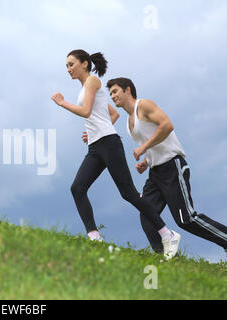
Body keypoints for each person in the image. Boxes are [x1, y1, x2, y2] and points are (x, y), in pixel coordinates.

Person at [51, 50, 181, 260]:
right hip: (96, 145)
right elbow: (114, 114)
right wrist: (95, 130)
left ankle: (168, 234)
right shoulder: (85, 88)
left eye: (71, 64)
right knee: (77, 188)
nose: (68, 69)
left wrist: (61, 102)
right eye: (66, 65)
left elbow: (85, 111)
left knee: (128, 193)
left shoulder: (92, 81)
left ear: (85, 64)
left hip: (109, 144)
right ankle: (94, 237)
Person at [106, 77, 227, 256]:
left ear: (128, 90)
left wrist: (144, 147)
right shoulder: (129, 121)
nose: (112, 96)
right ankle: (165, 257)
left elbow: (167, 126)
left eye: (115, 91)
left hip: (172, 166)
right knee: (147, 215)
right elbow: (151, 141)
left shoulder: (144, 105)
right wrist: (145, 162)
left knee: (186, 219)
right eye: (110, 94)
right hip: (155, 173)